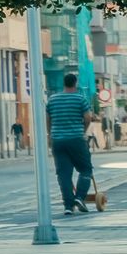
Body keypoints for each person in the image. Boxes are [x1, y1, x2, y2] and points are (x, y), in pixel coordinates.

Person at [47, 74, 95, 215]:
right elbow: (87, 118)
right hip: (76, 139)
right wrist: (84, 131)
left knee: (63, 174)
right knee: (86, 169)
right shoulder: (80, 99)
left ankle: (68, 205)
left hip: (58, 141)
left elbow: (48, 118)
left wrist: (51, 135)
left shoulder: (52, 99)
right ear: (75, 83)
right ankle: (79, 197)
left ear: (64, 83)